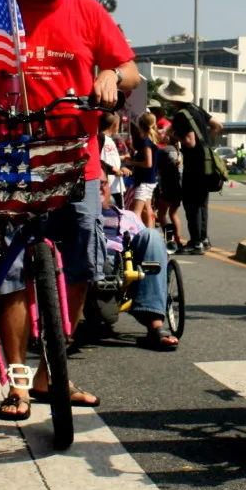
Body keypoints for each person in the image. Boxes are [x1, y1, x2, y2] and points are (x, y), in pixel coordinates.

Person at [0, 0, 139, 422]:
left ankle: (54, 372)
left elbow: (131, 70)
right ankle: (17, 381)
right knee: (10, 273)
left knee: (81, 264)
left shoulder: (86, 9)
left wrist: (110, 73)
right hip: (11, 158)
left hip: (77, 158)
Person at [99, 179, 179, 349]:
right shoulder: (72, 216)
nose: (99, 187)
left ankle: (155, 325)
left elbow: (150, 247)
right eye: (92, 183)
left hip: (126, 264)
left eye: (103, 183)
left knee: (151, 235)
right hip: (92, 260)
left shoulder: (127, 216)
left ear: (108, 187)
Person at [166, 79, 222, 253]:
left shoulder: (181, 115)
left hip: (194, 165)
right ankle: (204, 239)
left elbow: (190, 142)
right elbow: (218, 125)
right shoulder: (197, 109)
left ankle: (195, 242)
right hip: (207, 162)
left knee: (191, 204)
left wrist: (174, 135)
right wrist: (207, 141)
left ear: (174, 99)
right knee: (202, 203)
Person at [128, 112, 159, 226]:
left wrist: (132, 162)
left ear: (140, 125)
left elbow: (148, 163)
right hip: (150, 179)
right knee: (148, 209)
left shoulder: (146, 141)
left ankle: (135, 233)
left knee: (136, 212)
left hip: (144, 180)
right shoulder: (152, 139)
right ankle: (151, 232)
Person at [156, 130, 185, 250]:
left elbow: (157, 168)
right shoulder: (180, 153)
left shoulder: (163, 151)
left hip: (167, 185)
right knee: (173, 213)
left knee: (161, 214)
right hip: (179, 186)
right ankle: (178, 240)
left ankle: (169, 238)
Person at [99, 111, 129, 210]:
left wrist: (122, 167)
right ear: (116, 125)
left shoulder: (110, 140)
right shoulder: (100, 137)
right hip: (106, 185)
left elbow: (112, 158)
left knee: (119, 212)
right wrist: (112, 169)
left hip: (116, 185)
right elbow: (97, 160)